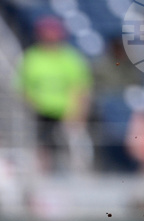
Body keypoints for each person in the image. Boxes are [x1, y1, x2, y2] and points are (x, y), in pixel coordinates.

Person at [17, 15, 93, 172]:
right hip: (40, 114)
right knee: (42, 150)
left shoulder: (71, 59)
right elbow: (23, 88)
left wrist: (77, 114)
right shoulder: (32, 57)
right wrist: (34, 106)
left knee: (71, 151)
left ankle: (74, 179)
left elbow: (80, 89)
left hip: (67, 115)